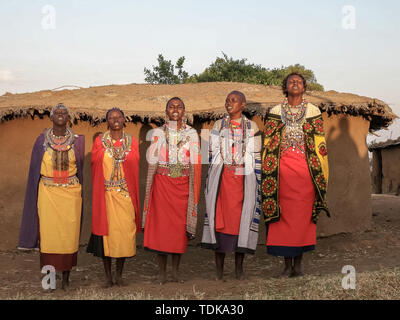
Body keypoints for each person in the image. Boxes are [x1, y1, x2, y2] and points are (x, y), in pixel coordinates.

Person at [261, 72, 330, 277]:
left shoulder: (313, 110)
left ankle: (298, 264)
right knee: (282, 218)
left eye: (299, 81)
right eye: (291, 81)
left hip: (306, 172)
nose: (295, 83)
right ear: (285, 86)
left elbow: (319, 143)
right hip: (281, 172)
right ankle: (286, 265)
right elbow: (268, 143)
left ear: (304, 87)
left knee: (302, 218)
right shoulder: (274, 111)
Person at [18, 104, 85, 290]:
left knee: (68, 237)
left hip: (70, 195)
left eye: (64, 113)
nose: (61, 115)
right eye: (57, 113)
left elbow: (80, 169)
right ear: (51, 117)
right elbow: (34, 171)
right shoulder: (41, 141)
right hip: (47, 195)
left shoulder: (77, 142)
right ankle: (50, 280)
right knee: (49, 238)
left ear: (69, 117)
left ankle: (66, 279)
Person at [201, 91, 262, 281]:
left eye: (234, 100)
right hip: (222, 183)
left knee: (240, 225)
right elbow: (210, 153)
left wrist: (256, 183)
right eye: (227, 100)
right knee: (220, 223)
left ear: (243, 105)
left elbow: (257, 157)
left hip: (243, 183)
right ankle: (219, 271)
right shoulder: (218, 125)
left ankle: (239, 269)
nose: (229, 103)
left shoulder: (252, 126)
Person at [143, 97, 201, 284]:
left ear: (184, 111)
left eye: (179, 107)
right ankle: (162, 272)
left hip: (182, 184)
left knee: (178, 230)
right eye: (171, 107)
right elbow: (152, 160)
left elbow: (195, 162)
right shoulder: (158, 133)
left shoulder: (192, 134)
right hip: (162, 183)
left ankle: (175, 272)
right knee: (162, 229)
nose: (175, 109)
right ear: (166, 111)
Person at [86, 108, 140, 287]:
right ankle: (108, 276)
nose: (115, 120)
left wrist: (124, 156)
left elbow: (134, 163)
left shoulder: (131, 142)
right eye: (111, 117)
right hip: (106, 196)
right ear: (107, 121)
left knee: (124, 235)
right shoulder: (100, 142)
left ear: (124, 119)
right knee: (106, 238)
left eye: (119, 117)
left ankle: (119, 275)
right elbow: (95, 162)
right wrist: (108, 153)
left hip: (125, 195)